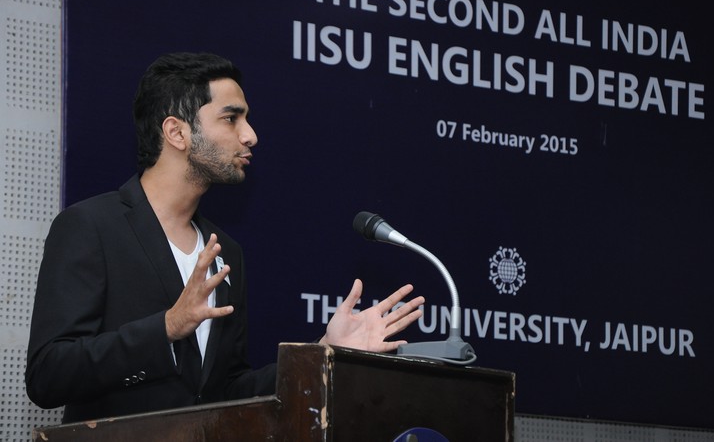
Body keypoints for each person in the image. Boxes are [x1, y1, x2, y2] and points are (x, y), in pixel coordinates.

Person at [26, 52, 424, 423]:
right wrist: (165, 328)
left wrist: (323, 352)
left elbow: (226, 391)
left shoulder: (225, 250)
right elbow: (47, 376)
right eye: (231, 118)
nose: (250, 135)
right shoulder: (91, 226)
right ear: (176, 132)